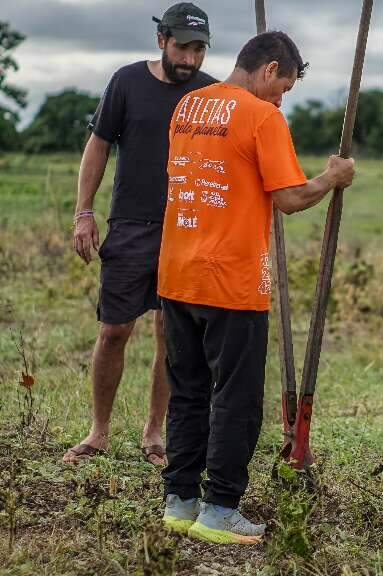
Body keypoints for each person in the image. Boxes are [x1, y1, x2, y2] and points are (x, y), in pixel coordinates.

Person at [158, 31, 355, 544]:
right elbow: (289, 198)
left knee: (188, 391)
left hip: (177, 273)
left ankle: (179, 501)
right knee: (236, 400)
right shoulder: (262, 115)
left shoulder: (188, 107)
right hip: (232, 281)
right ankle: (220, 508)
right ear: (269, 69)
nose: (281, 97)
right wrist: (332, 178)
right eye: (284, 86)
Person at [65, 3, 217, 466]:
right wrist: (83, 212)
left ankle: (154, 435)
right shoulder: (127, 81)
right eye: (182, 47)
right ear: (161, 41)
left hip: (188, 229)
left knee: (171, 335)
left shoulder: (212, 94)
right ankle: (98, 432)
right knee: (114, 330)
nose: (189, 59)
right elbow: (98, 146)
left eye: (198, 49)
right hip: (131, 225)